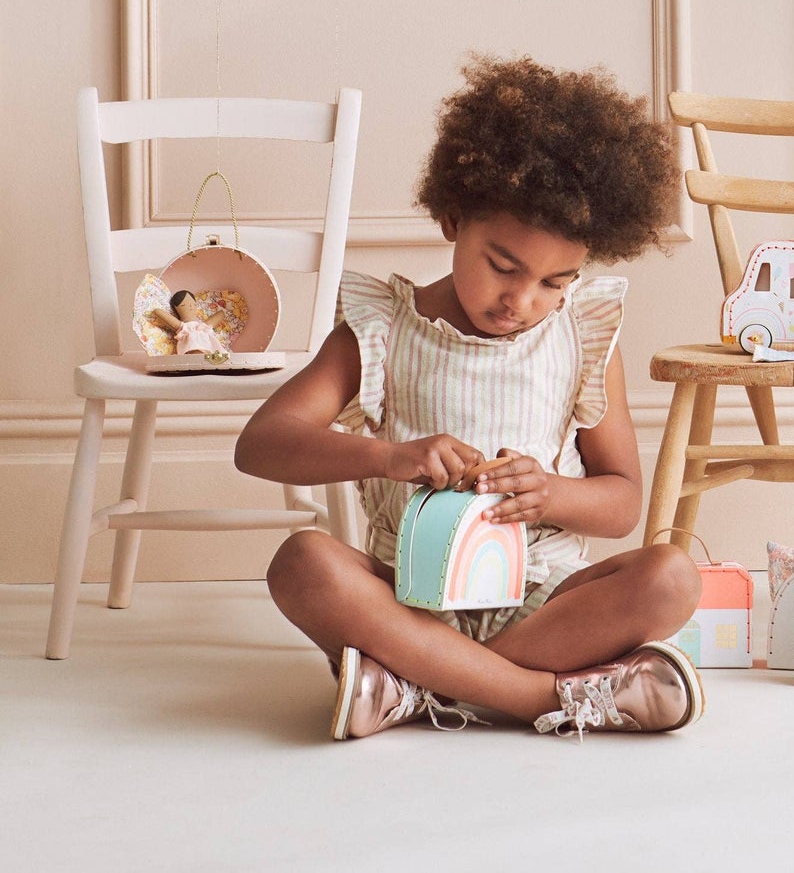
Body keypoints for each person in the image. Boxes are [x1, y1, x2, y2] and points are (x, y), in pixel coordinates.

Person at [235, 55, 704, 740]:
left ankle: (410, 685)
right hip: (406, 602)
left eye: (556, 281)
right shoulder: (383, 327)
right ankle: (537, 696)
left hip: (541, 603)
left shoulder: (580, 339)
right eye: (503, 266)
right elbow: (261, 444)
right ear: (454, 217)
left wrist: (551, 491)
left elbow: (623, 500)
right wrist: (387, 455)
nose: (522, 301)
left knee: (671, 577)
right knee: (302, 563)